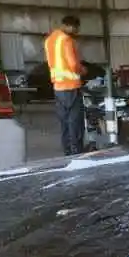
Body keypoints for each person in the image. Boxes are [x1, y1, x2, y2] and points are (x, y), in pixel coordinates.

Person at [44, 15, 85, 155]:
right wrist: (83, 70)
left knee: (64, 122)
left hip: (58, 87)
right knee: (75, 121)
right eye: (76, 28)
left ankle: (67, 152)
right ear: (70, 26)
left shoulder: (50, 40)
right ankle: (77, 152)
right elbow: (73, 64)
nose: (77, 31)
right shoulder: (67, 40)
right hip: (71, 86)